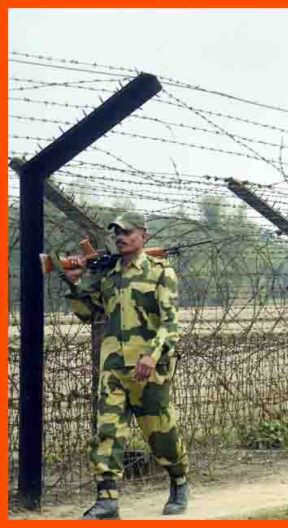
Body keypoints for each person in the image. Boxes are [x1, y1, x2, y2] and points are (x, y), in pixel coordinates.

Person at [61, 212, 188, 519]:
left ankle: (179, 480)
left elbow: (170, 324)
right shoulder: (108, 274)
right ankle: (107, 500)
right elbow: (87, 313)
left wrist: (152, 355)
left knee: (159, 431)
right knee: (107, 431)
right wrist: (75, 283)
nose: (121, 237)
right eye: (117, 233)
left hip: (149, 369)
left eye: (127, 232)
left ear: (143, 235)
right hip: (114, 366)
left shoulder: (160, 272)